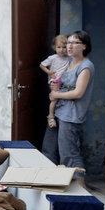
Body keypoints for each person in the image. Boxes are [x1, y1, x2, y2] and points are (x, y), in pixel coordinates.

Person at [41, 30, 95, 174]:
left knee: (68, 154)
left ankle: (80, 190)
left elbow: (78, 93)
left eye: (75, 43)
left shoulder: (86, 66)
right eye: (68, 42)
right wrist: (56, 86)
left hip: (71, 115)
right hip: (58, 111)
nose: (70, 46)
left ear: (84, 46)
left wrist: (56, 94)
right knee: (49, 149)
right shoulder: (69, 62)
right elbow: (63, 83)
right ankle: (50, 182)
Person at [40, 34, 72, 129]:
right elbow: (42, 65)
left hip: (64, 82)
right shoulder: (53, 58)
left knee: (63, 97)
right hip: (54, 81)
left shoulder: (69, 58)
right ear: (54, 47)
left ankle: (59, 114)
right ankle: (51, 116)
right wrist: (49, 72)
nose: (61, 50)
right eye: (59, 47)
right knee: (55, 98)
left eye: (64, 47)